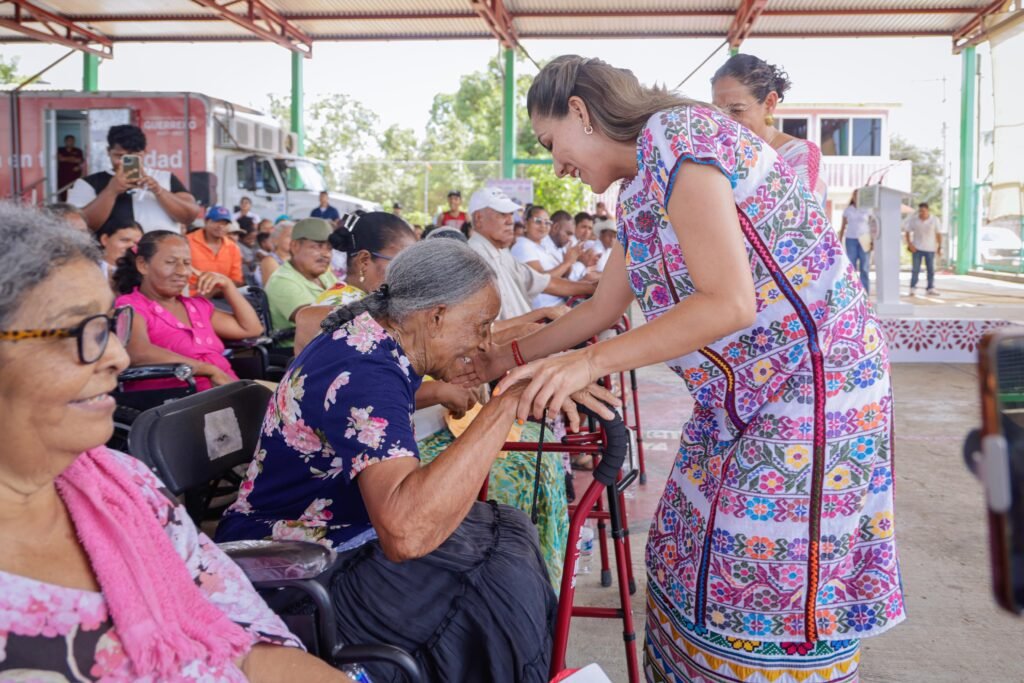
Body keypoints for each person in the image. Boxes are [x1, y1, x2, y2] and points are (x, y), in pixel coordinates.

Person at [463, 55, 905, 682]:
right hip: (734, 395)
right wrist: (496, 360)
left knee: (760, 579)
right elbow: (601, 310)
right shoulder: (641, 186)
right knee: (679, 548)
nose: (555, 164)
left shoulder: (680, 136)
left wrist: (583, 365)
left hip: (809, 393)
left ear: (582, 113)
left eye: (550, 141)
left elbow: (727, 301)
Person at [217, 238, 618, 682]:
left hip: (341, 535)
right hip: (295, 565)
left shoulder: (377, 340)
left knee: (510, 535)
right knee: (490, 591)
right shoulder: (364, 367)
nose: (485, 343)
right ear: (437, 316)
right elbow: (405, 534)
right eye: (481, 326)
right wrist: (506, 404)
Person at [0, 202, 349, 681]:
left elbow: (248, 643)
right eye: (81, 331)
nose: (118, 357)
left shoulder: (126, 485)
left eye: (110, 327)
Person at [114, 230, 263, 391]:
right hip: (178, 405)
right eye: (171, 262)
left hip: (228, 394)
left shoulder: (196, 306)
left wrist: (228, 286)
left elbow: (251, 329)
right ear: (143, 265)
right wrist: (208, 370)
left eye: (186, 263)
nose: (182, 272)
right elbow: (138, 352)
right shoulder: (132, 305)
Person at [712, 53, 828, 207]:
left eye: (736, 110)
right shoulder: (721, 156)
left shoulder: (799, 156)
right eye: (718, 112)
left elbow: (800, 218)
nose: (726, 121)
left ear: (769, 103)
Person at [467, 187, 595, 320]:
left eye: (511, 214)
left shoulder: (502, 254)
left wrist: (592, 287)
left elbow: (545, 282)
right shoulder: (474, 260)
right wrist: (543, 313)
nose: (510, 221)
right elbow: (489, 331)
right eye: (501, 214)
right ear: (478, 219)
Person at [67, 124, 199, 234]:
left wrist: (159, 191)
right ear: (108, 151)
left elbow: (189, 216)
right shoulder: (88, 183)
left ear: (144, 152)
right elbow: (79, 227)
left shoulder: (165, 178)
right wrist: (111, 191)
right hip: (110, 259)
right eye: (119, 156)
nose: (124, 163)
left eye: (134, 157)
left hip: (159, 259)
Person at [264, 218, 337, 340]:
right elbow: (311, 320)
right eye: (317, 247)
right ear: (295, 246)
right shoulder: (282, 280)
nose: (326, 254)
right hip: (301, 354)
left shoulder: (325, 275)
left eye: (329, 248)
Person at [510, 205, 583, 309]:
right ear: (525, 223)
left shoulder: (542, 246)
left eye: (547, 222)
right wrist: (567, 262)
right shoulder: (523, 246)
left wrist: (569, 260)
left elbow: (563, 276)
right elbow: (540, 280)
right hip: (546, 309)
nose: (543, 226)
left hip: (560, 303)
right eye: (538, 221)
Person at [187, 205, 245, 288]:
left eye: (225, 223)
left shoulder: (233, 248)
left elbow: (237, 280)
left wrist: (218, 287)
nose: (221, 226)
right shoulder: (187, 242)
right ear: (206, 221)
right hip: (192, 296)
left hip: (223, 296)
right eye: (217, 221)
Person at [839, 190, 876, 295]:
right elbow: (843, 227)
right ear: (853, 197)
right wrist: (839, 240)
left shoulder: (867, 209)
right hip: (851, 239)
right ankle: (853, 291)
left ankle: (865, 292)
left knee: (864, 266)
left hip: (865, 239)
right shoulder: (848, 210)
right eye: (855, 195)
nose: (857, 197)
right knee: (851, 266)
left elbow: (873, 226)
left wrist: (873, 240)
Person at [904, 202, 944, 296]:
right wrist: (910, 244)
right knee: (915, 269)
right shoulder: (914, 220)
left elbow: (938, 234)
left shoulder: (934, 220)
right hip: (917, 248)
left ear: (928, 210)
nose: (922, 213)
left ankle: (930, 288)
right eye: (920, 211)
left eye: (924, 211)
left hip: (930, 249)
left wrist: (939, 247)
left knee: (931, 270)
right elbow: (907, 232)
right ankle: (912, 287)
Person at [259, 219, 293, 284]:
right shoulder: (269, 261)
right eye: (289, 236)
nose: (293, 240)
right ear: (275, 240)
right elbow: (276, 288)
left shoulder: (295, 259)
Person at [56, 134, 84, 200]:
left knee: (74, 194)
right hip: (62, 176)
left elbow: (79, 160)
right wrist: (72, 159)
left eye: (72, 141)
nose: (70, 142)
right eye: (69, 141)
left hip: (74, 176)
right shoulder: (60, 150)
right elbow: (60, 159)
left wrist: (65, 158)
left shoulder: (78, 150)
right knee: (63, 194)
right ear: (65, 141)